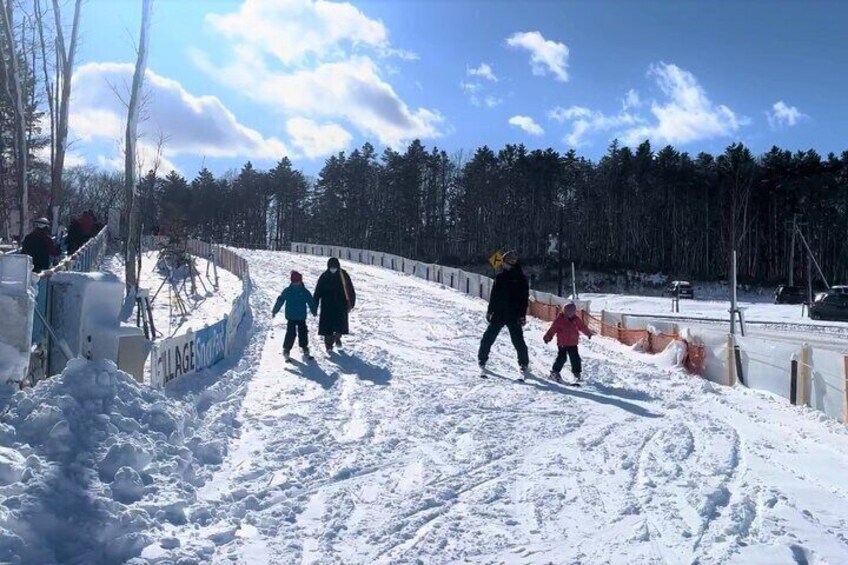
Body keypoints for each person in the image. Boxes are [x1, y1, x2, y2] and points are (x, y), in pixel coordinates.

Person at [478, 250, 530, 374]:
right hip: (501, 312)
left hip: (513, 313)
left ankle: (523, 363)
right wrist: (490, 311)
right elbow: (494, 295)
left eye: (504, 262)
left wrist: (522, 315)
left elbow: (524, 298)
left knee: (517, 339)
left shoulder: (520, 278)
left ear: (510, 263)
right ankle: (482, 358)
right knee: (489, 336)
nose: (502, 264)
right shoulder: (500, 277)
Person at [543, 303, 594, 384]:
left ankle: (577, 373)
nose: (570, 314)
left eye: (572, 312)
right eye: (568, 313)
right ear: (564, 312)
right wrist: (547, 337)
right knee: (562, 358)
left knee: (575, 358)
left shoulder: (576, 319)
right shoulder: (560, 320)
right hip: (562, 343)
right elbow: (552, 329)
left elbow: (582, 327)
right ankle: (554, 372)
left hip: (573, 343)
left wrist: (588, 333)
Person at [272, 270, 318, 361]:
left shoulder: (304, 291)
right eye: (294, 282)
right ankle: (286, 349)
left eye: (298, 282)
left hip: (301, 317)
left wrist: (314, 310)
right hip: (291, 317)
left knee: (303, 332)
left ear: (301, 281)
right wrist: (275, 311)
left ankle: (304, 347)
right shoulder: (287, 291)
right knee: (291, 333)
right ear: (292, 281)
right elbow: (280, 300)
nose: (296, 284)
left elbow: (310, 301)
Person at [314, 257, 356, 353]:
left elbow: (350, 289)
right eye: (331, 267)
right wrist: (314, 304)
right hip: (327, 305)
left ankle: (337, 338)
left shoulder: (343, 275)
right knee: (327, 326)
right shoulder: (324, 276)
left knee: (339, 325)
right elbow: (318, 291)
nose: (333, 269)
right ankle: (328, 345)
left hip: (340, 305)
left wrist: (351, 302)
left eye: (335, 267)